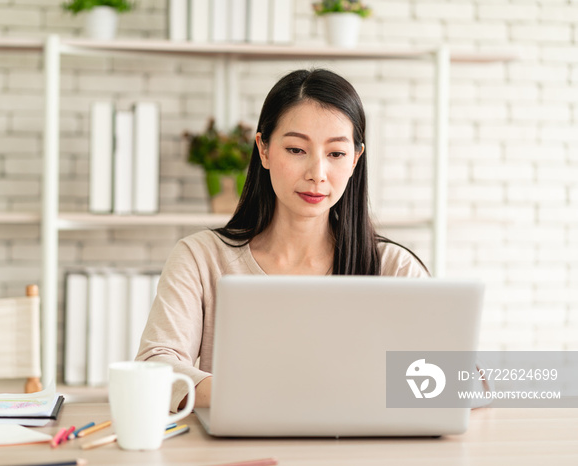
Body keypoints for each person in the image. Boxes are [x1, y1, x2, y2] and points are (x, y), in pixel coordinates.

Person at [136, 68, 429, 413]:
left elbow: (466, 381)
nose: (316, 173)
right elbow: (154, 368)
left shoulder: (393, 268)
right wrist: (280, 394)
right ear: (263, 149)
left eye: (335, 154)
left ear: (355, 160)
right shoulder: (201, 258)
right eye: (296, 149)